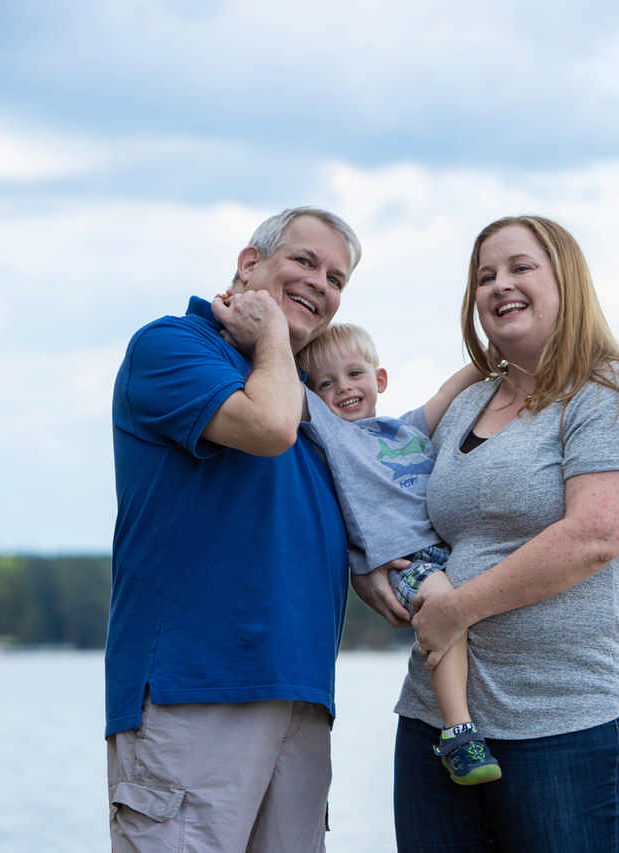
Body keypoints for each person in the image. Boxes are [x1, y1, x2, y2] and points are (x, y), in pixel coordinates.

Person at [351, 215, 619, 852]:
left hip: (562, 723)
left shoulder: (613, 395)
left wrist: (458, 609)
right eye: (484, 275)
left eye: (520, 267)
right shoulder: (467, 405)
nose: (499, 285)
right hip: (437, 725)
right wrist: (365, 565)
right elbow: (391, 494)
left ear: (567, 282)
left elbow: (595, 536)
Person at [105, 206, 362, 852]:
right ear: (249, 263)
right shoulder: (170, 346)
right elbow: (267, 427)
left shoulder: (307, 398)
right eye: (304, 261)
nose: (320, 284)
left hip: (300, 704)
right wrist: (273, 332)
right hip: (194, 693)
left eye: (336, 278)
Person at [296, 323, 499, 785]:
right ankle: (459, 733)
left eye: (354, 374)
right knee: (447, 609)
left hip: (446, 552)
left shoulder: (404, 430)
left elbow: (451, 390)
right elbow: (289, 381)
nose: (343, 388)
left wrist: (495, 352)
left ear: (379, 380)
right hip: (405, 563)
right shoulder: (331, 435)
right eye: (326, 383)